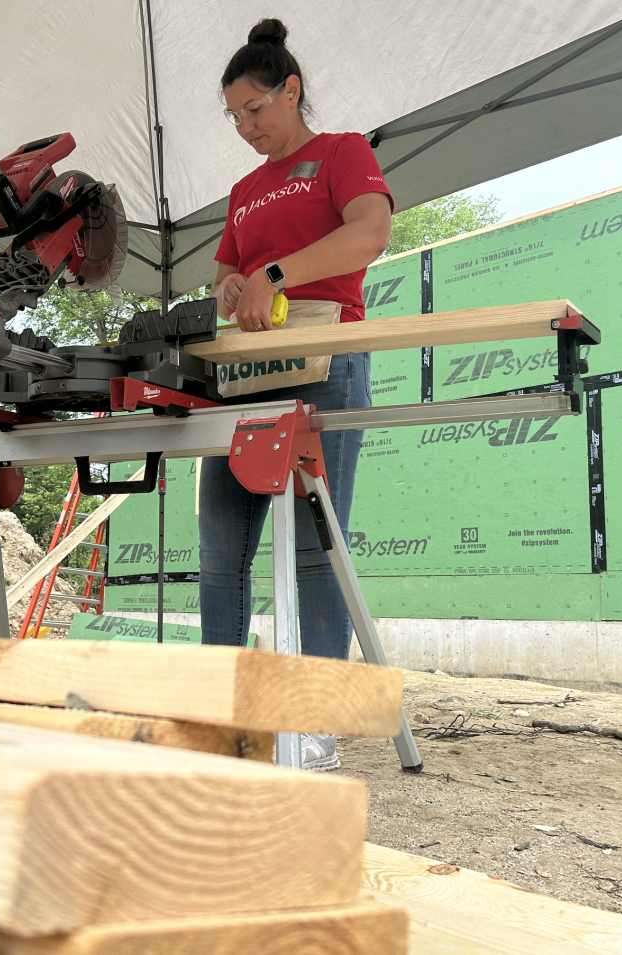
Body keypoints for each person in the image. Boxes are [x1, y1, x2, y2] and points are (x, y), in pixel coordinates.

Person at [200, 18, 393, 771]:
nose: (246, 127)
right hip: (247, 372)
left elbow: (368, 235)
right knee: (222, 545)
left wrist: (275, 274)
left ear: (292, 90)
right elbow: (224, 282)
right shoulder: (242, 191)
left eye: (255, 109)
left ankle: (312, 722)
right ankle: (226, 709)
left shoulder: (341, 152)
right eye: (234, 117)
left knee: (317, 543)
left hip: (325, 351)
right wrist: (230, 286)